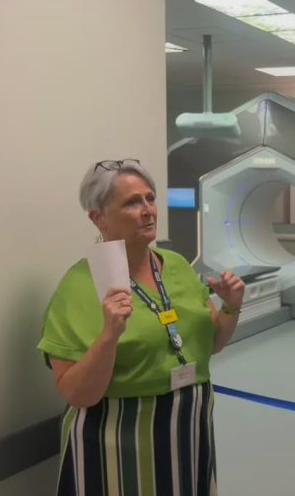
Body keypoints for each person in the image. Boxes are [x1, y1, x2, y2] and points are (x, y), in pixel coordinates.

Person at [37, 159, 245, 496]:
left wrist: (231, 305)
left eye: (150, 198)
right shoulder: (79, 286)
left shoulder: (176, 265)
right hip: (118, 438)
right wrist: (109, 336)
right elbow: (76, 393)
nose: (148, 210)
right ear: (98, 217)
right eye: (133, 202)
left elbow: (212, 343)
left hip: (187, 427)